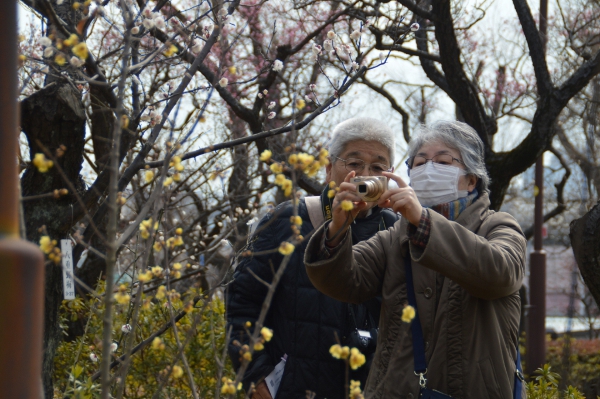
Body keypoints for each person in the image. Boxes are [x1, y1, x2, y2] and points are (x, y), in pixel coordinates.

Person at [304, 120, 527, 399]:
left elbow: (500, 272)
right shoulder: (395, 236)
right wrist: (337, 229)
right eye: (419, 163)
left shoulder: (499, 226)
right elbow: (345, 282)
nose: (428, 169)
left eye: (443, 161)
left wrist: (422, 221)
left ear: (472, 179)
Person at [226, 117, 400, 399]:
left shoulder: (395, 228)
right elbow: (242, 303)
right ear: (330, 168)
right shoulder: (288, 220)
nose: (365, 174)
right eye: (354, 163)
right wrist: (256, 377)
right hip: (291, 388)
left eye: (378, 167)